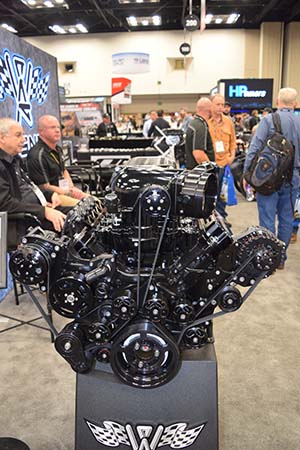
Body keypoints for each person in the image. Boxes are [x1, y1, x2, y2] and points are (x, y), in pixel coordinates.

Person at [243, 87, 300, 268]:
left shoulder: (268, 120)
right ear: (296, 104)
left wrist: (247, 174)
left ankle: (268, 258)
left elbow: (255, 147)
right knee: (287, 219)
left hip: (268, 178)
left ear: (277, 102)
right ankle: (280, 259)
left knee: (267, 218)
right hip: (293, 178)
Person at [0, 118, 67, 247]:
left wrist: (49, 195)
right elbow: (4, 203)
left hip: (37, 209)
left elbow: (30, 186)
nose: (24, 140)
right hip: (21, 222)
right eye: (18, 135)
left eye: (23, 135)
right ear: (2, 138)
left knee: (77, 214)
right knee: (69, 223)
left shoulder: (15, 160)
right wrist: (43, 211)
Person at [27, 115, 86, 202]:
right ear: (41, 131)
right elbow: (44, 186)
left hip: (65, 191)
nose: (57, 130)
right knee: (83, 207)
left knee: (95, 202)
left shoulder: (58, 149)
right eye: (52, 127)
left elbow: (64, 171)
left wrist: (72, 188)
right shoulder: (37, 155)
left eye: (58, 127)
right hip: (51, 197)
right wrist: (68, 193)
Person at [208, 94, 236, 223]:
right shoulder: (206, 123)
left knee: (223, 193)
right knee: (211, 193)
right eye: (217, 104)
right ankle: (211, 218)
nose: (220, 107)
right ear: (211, 105)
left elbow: (233, 142)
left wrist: (232, 156)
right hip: (211, 165)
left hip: (224, 163)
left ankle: (222, 218)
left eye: (222, 105)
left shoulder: (228, 122)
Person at [185, 97, 215, 169]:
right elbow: (198, 154)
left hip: (193, 170)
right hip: (200, 174)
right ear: (209, 109)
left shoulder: (193, 123)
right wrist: (211, 170)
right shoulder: (200, 126)